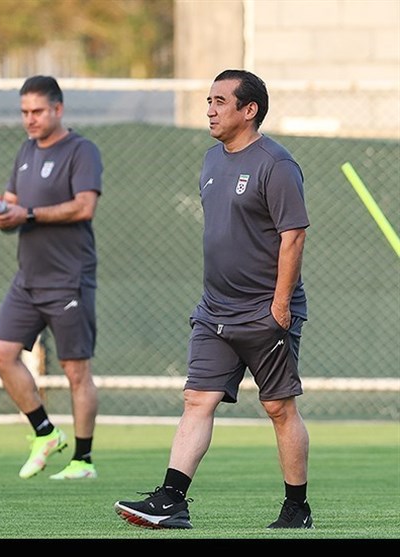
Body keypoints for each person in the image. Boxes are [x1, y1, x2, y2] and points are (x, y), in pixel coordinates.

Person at [114, 69, 312, 529]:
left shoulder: (276, 164)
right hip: (215, 311)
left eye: (221, 101)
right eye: (208, 100)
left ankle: (296, 508)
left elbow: (294, 237)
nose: (210, 109)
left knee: (279, 407)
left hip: (265, 311)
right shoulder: (210, 160)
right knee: (196, 399)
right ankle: (171, 499)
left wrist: (279, 305)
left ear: (250, 110)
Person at [0, 75, 103, 481]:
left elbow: (84, 206)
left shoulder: (81, 150)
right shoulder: (25, 150)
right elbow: (14, 203)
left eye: (37, 111)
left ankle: (83, 461)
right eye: (24, 112)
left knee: (76, 371)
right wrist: (2, 215)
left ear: (58, 109)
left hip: (69, 278)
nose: (30, 120)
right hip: (28, 279)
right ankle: (45, 431)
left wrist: (28, 216)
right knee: (0, 354)